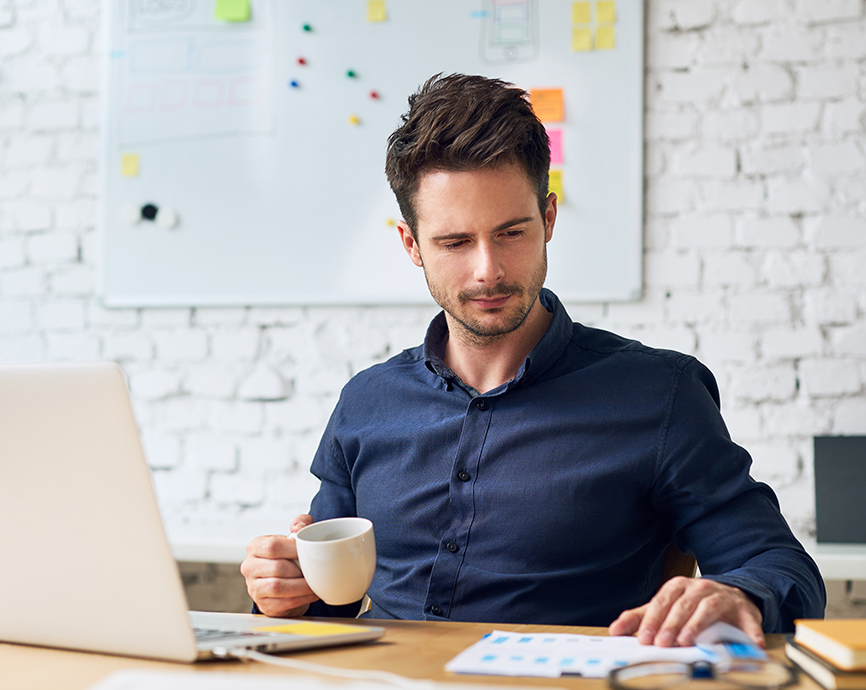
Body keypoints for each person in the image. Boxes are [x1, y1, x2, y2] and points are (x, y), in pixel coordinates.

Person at [241, 73, 825, 648]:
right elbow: (325, 601)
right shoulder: (367, 403)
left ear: (548, 219)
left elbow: (781, 568)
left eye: (512, 233)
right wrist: (287, 586)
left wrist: (739, 594)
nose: (487, 270)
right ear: (411, 245)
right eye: (454, 243)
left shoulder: (660, 394)